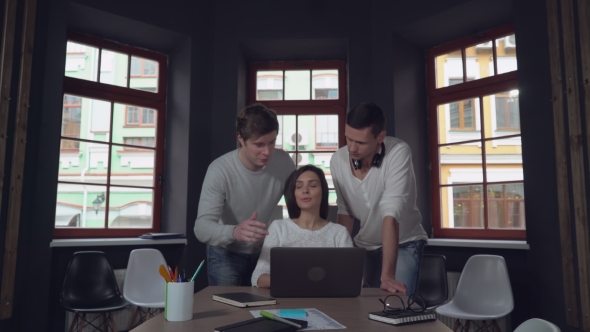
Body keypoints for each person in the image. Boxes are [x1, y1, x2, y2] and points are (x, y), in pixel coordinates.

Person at [330, 102, 427, 295]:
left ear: (380, 137)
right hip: (365, 245)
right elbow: (345, 211)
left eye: (361, 142)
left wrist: (388, 276)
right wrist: (339, 258)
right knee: (364, 310)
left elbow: (391, 214)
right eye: (348, 139)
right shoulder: (337, 160)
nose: (352, 148)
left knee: (395, 305)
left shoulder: (398, 152)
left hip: (403, 243)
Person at [194, 103, 295, 286]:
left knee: (262, 308)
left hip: (264, 251)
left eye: (272, 142)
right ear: (241, 139)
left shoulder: (284, 163)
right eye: (259, 145)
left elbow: (297, 210)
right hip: (225, 252)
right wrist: (234, 231)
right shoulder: (219, 170)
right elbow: (201, 228)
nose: (267, 152)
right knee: (228, 312)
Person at [251, 165, 353, 288]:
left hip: (327, 302)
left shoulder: (339, 233)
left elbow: (353, 279)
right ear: (294, 194)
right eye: (299, 186)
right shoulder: (279, 228)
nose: (305, 190)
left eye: (313, 185)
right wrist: (298, 282)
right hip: (286, 301)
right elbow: (258, 277)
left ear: (323, 192)